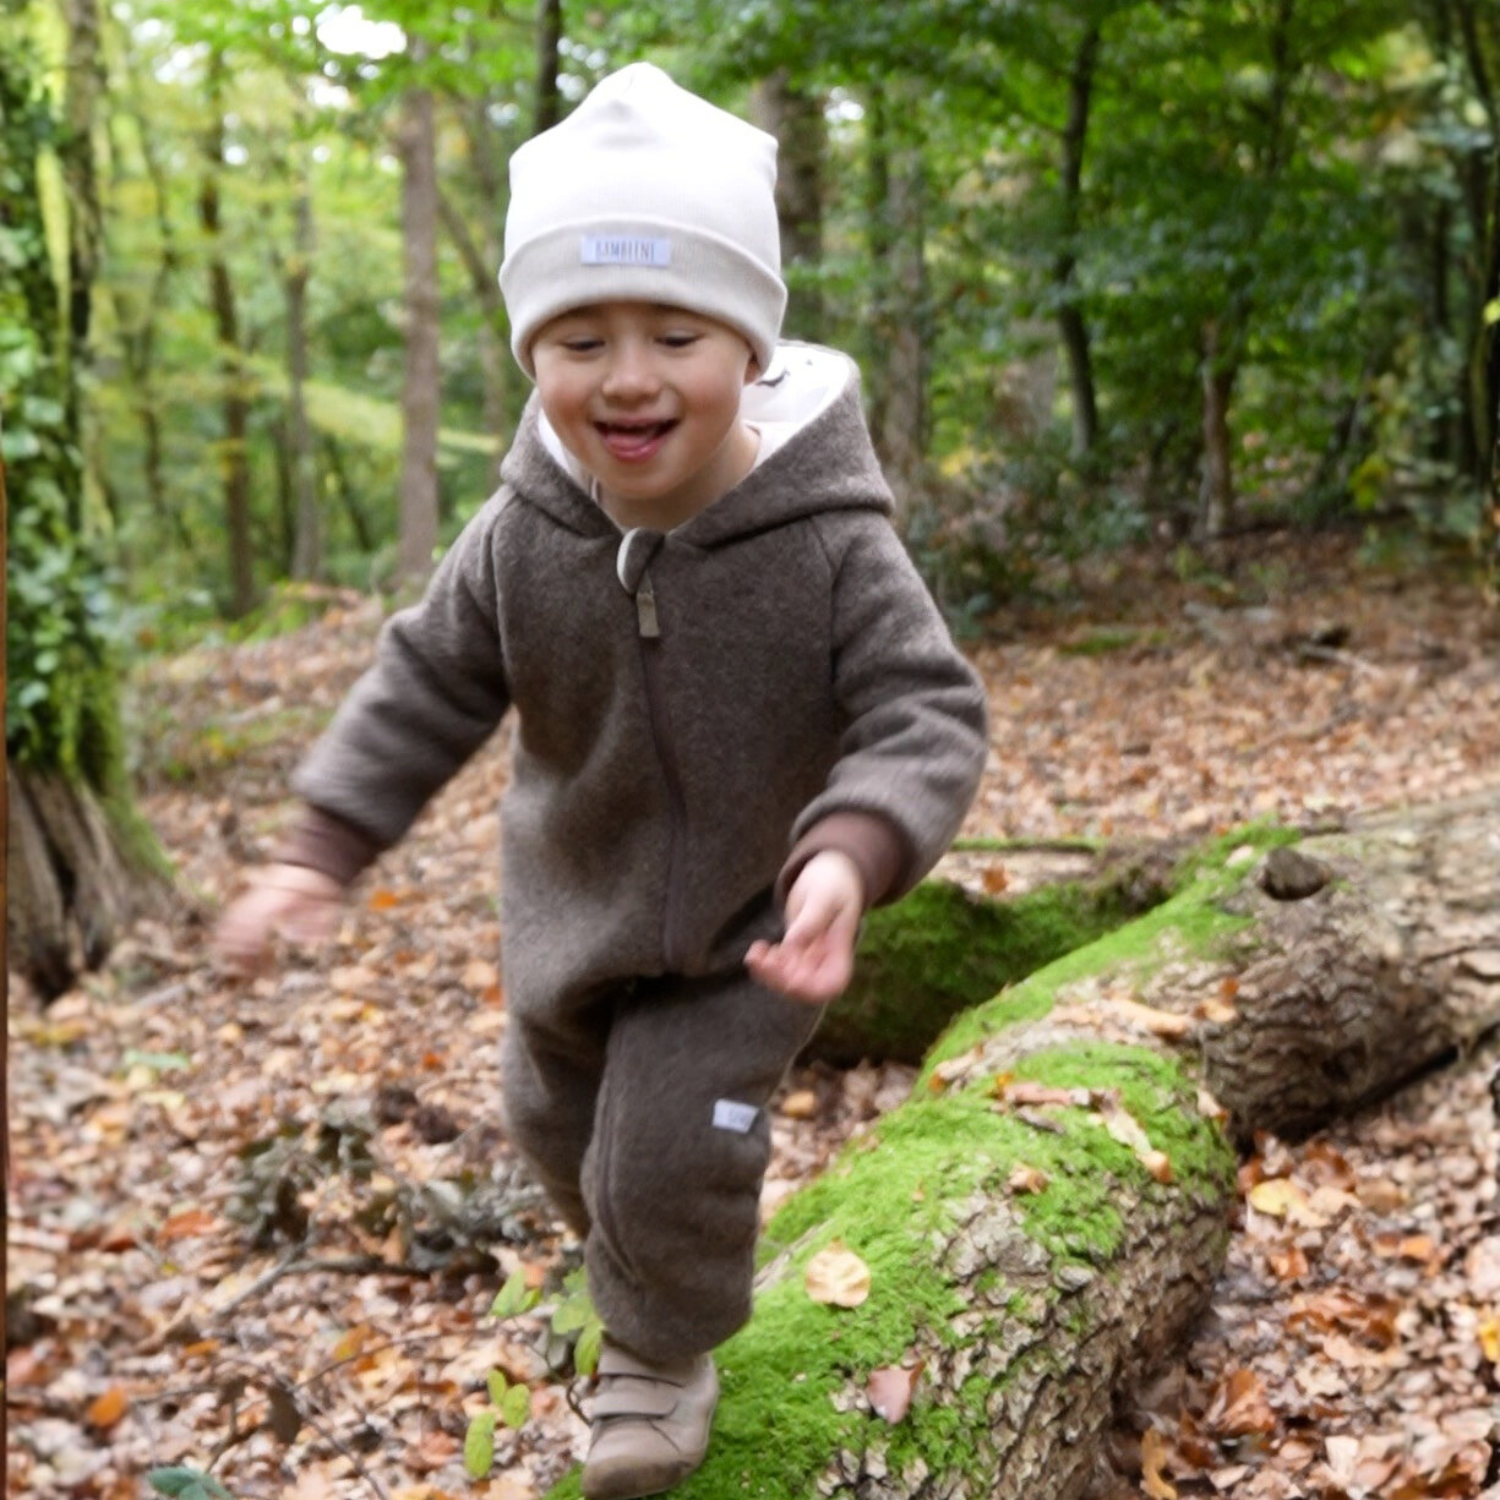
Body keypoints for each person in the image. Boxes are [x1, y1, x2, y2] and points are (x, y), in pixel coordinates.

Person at [215, 62, 988, 1500]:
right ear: (530, 357)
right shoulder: (522, 535)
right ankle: (629, 1268)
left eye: (675, 332)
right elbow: (427, 678)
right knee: (560, 1132)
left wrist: (851, 850)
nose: (627, 376)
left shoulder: (826, 538)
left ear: (750, 346)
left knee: (665, 1153)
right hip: (569, 920)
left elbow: (923, 703)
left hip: (747, 934)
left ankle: (658, 1358)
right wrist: (320, 847)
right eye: (579, 338)